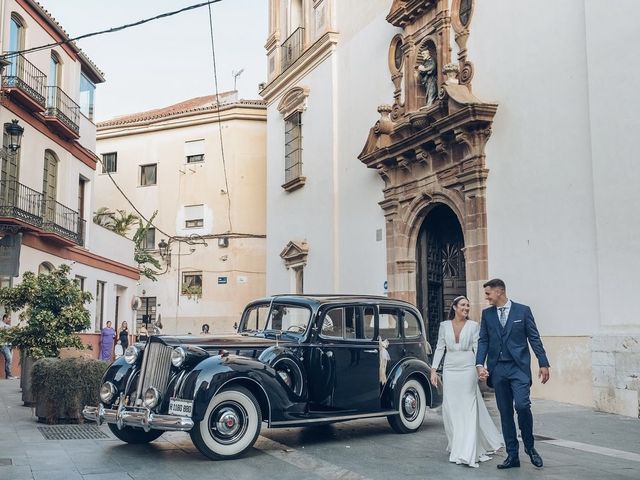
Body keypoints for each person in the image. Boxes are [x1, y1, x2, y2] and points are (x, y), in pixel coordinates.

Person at [476, 279, 550, 469]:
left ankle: (530, 446)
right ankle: (512, 455)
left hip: (519, 368)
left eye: (488, 293)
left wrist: (543, 362)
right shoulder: (487, 314)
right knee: (505, 413)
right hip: (498, 369)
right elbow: (483, 340)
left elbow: (534, 337)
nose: (486, 297)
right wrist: (479, 364)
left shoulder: (522, 311)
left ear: (499, 291)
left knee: (523, 405)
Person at [430, 296, 503, 468]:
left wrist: (481, 368)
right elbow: (440, 347)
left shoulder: (473, 326)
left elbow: (478, 348)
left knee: (468, 406)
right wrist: (433, 370)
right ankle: (457, 442)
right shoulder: (444, 326)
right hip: (450, 369)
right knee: (451, 407)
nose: (466, 308)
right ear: (454, 307)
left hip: (467, 368)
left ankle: (467, 450)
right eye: (463, 305)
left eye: (468, 305)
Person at [1, 314, 16, 379]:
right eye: (9, 318)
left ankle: (8, 375)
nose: (10, 320)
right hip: (3, 344)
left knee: (9, 360)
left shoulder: (8, 325)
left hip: (9, 344)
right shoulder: (1, 324)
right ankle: (9, 375)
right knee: (9, 358)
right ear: (5, 318)